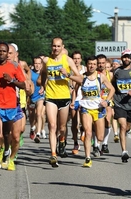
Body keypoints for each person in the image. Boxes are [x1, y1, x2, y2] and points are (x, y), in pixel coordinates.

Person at [38, 37, 81, 167]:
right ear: (51, 46)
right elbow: (44, 73)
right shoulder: (46, 60)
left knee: (62, 127)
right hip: (51, 96)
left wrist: (68, 74)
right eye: (53, 46)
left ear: (62, 47)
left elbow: (80, 78)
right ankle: (53, 154)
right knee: (52, 125)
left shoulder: (67, 60)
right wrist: (43, 86)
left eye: (58, 46)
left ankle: (62, 140)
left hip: (64, 97)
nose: (55, 48)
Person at [71, 55, 115, 167]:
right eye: (90, 64)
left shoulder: (101, 77)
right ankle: (87, 158)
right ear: (86, 65)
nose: (92, 66)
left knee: (100, 137)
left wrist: (107, 101)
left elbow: (112, 89)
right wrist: (74, 101)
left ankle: (93, 139)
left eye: (94, 64)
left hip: (99, 108)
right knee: (88, 132)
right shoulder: (82, 77)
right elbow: (75, 90)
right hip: (85, 108)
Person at [0, 41, 26, 174]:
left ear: (7, 53)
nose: (1, 53)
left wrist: (11, 80)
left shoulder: (14, 67)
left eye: (4, 51)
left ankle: (6, 150)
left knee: (6, 133)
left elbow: (23, 85)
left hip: (10, 104)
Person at [96, 54, 114, 155]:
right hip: (96, 101)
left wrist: (109, 100)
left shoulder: (110, 75)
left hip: (107, 100)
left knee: (107, 121)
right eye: (99, 63)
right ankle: (96, 144)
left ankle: (105, 143)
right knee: (96, 124)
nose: (101, 65)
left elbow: (113, 88)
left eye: (103, 63)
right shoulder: (94, 74)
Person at [69, 51, 86, 154]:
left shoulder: (85, 70)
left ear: (81, 59)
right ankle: (75, 142)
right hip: (73, 99)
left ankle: (84, 131)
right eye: (74, 58)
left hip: (84, 99)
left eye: (78, 58)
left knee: (85, 121)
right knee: (74, 122)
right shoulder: (69, 70)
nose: (76, 60)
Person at [29, 56, 45, 143]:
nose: (37, 65)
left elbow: (47, 83)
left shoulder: (44, 73)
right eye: (36, 63)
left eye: (39, 63)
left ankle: (38, 134)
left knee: (39, 113)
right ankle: (32, 128)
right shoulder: (30, 73)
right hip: (31, 97)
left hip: (40, 96)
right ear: (33, 64)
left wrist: (43, 87)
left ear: (42, 64)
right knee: (32, 116)